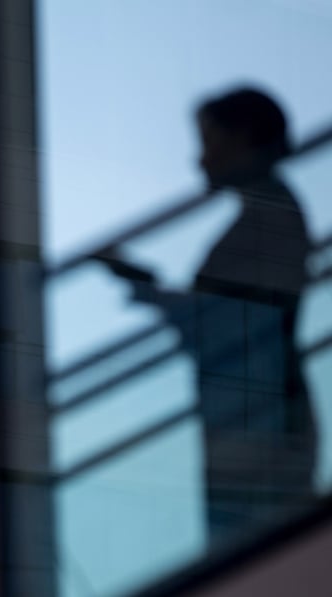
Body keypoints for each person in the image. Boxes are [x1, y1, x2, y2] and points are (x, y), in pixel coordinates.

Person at [99, 87, 316, 547]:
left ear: (247, 140)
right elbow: (216, 320)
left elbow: (218, 324)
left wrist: (143, 286)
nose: (200, 161)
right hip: (250, 415)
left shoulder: (270, 222)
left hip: (262, 420)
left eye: (211, 143)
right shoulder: (269, 216)